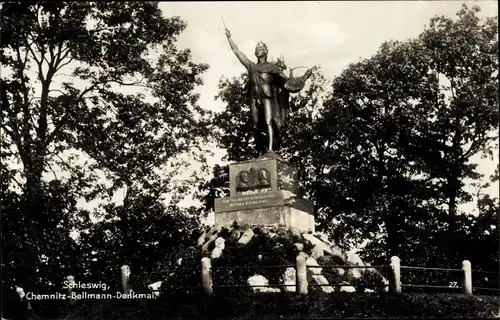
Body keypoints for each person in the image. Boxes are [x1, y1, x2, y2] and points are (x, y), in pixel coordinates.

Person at [225, 28, 314, 156]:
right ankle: (260, 151)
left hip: (267, 96)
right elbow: (237, 51)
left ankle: (271, 150)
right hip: (253, 98)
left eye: (261, 48)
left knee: (268, 121)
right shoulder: (252, 66)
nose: (258, 50)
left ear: (266, 51)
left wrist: (305, 76)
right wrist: (229, 38)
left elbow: (288, 82)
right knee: (256, 126)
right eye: (256, 48)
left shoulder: (272, 67)